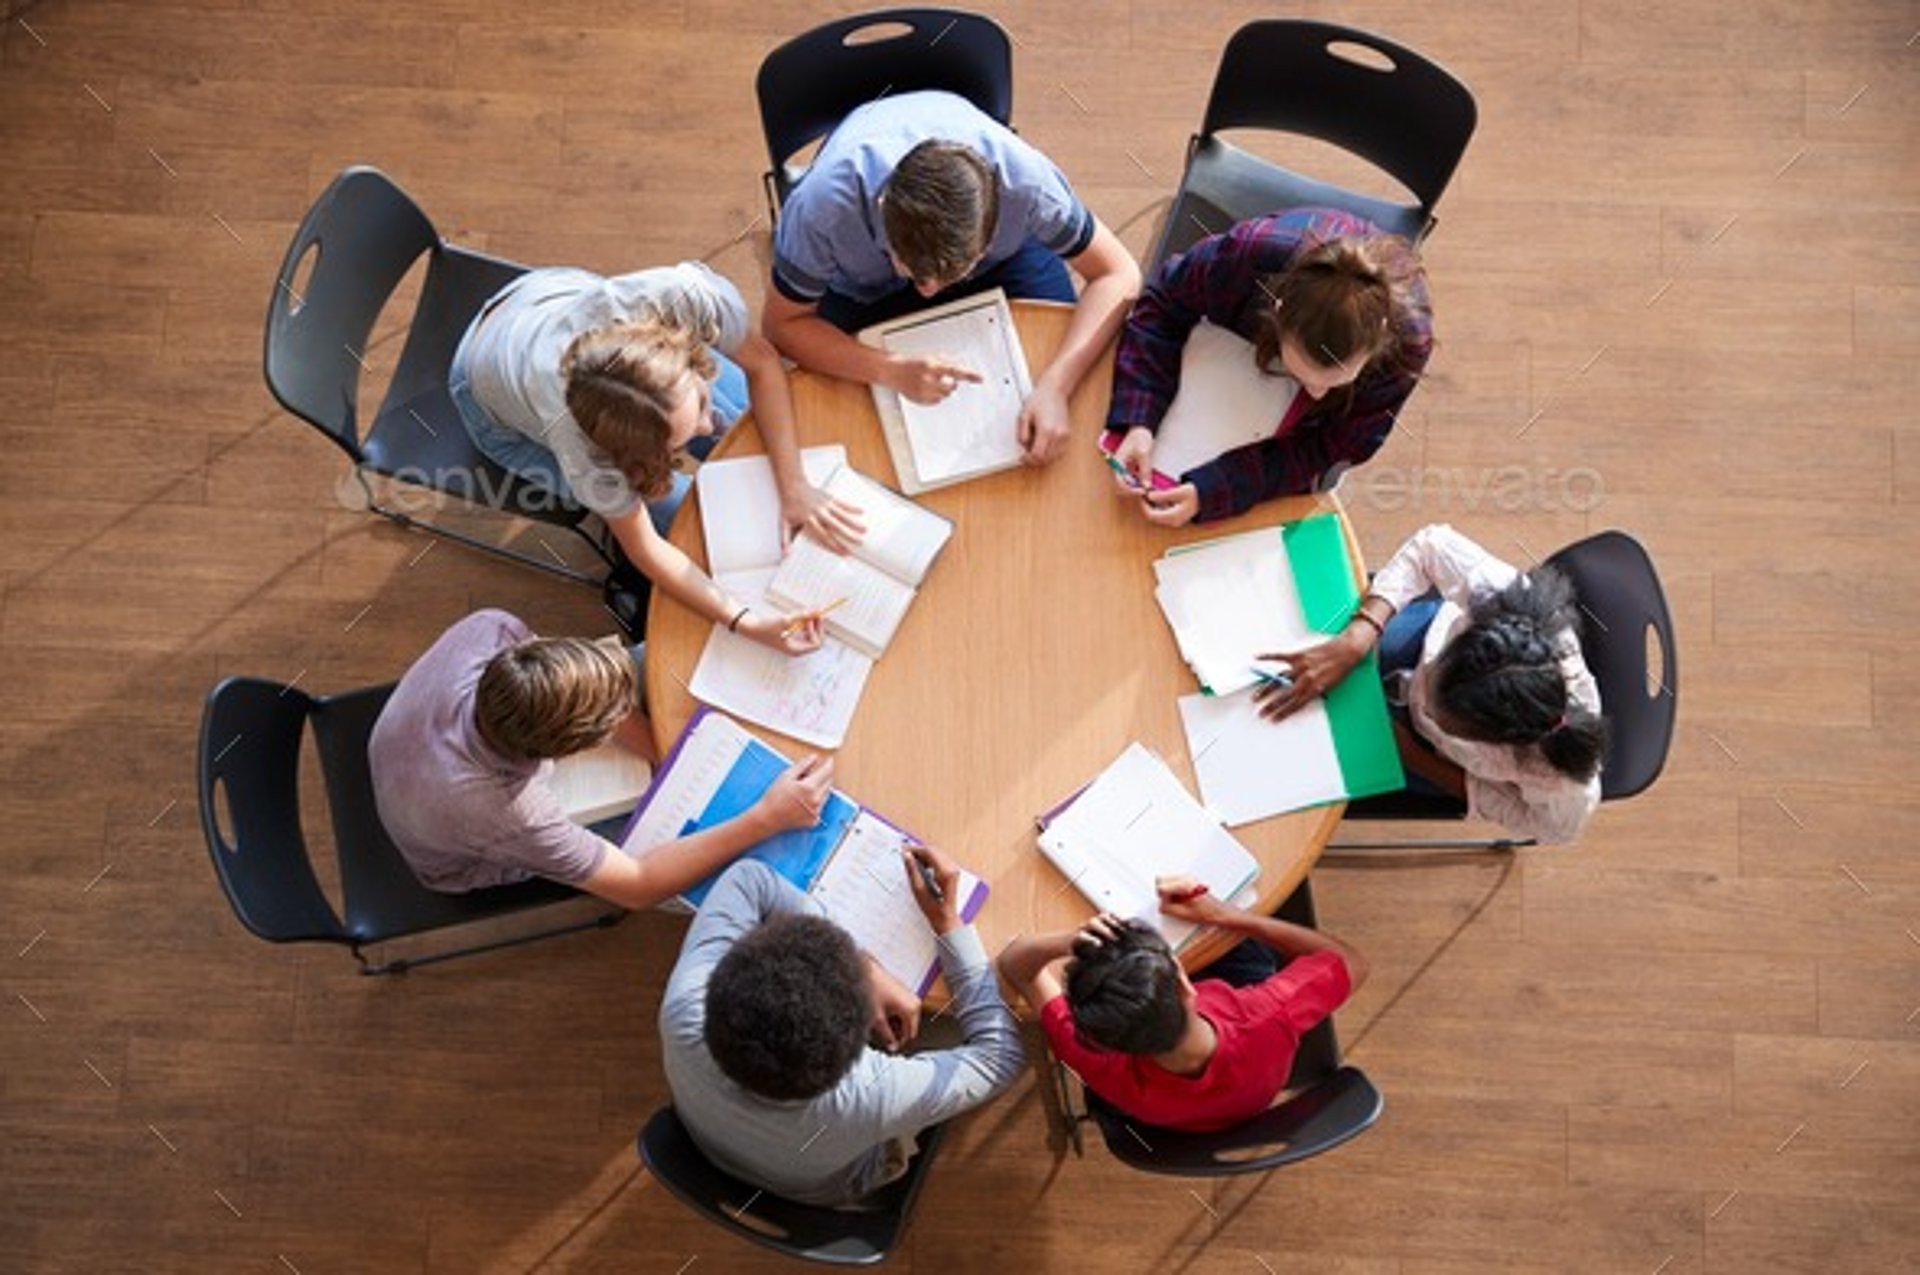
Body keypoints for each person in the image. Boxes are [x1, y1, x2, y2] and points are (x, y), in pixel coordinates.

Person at [450, 260, 864, 650]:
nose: (708, 426)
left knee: (748, 428)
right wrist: (746, 622)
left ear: (682, 352)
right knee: (701, 519)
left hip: (541, 296)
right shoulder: (584, 450)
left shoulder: (681, 297)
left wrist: (794, 487)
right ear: (632, 454)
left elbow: (763, 365)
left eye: (700, 400)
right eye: (677, 445)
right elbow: (646, 549)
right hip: (485, 388)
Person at [761, 90, 1142, 465]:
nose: (928, 293)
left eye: (949, 277)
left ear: (990, 233)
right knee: (850, 429)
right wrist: (887, 368)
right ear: (883, 207)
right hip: (863, 289)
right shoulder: (820, 210)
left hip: (1001, 268)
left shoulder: (1028, 185)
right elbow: (782, 325)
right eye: (910, 268)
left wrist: (1057, 385)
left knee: (1069, 378)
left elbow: (1119, 273)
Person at [368, 609, 833, 907]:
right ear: (567, 751)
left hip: (410, 754)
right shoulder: (512, 814)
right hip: (454, 851)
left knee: (653, 660)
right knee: (709, 848)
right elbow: (639, 885)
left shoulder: (495, 629)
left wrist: (662, 752)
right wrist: (766, 817)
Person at [659, 846, 1023, 1206]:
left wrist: (866, 969)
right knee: (949, 1024)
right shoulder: (868, 1094)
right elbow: (1001, 1057)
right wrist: (947, 922)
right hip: (829, 1185)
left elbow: (747, 879)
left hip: (711, 1142)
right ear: (862, 1044)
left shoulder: (685, 1008)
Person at [1254, 523, 1609, 844]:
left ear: (1496, 741)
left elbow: (1552, 829)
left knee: (1288, 779)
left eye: (1443, 717)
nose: (1422, 700)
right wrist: (1362, 633)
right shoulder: (1509, 604)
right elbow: (1431, 545)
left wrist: (1412, 756)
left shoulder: (1562, 784)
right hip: (1417, 643)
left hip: (1419, 749)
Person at [1104, 207, 1432, 526]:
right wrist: (1139, 420)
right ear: (1275, 309)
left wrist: (1216, 490)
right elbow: (1163, 304)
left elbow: (1335, 444)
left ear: (1381, 339)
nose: (1316, 395)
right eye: (1299, 373)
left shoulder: (1409, 343)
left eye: (1336, 381)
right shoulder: (1246, 258)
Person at [997, 876, 1366, 1133]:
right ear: (1188, 986)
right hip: (1253, 1094)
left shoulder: (1097, 1058)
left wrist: (1070, 941)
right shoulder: (1267, 1014)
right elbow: (1351, 961)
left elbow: (1016, 963)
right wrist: (1226, 916)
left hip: (1163, 1115)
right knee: (1242, 931)